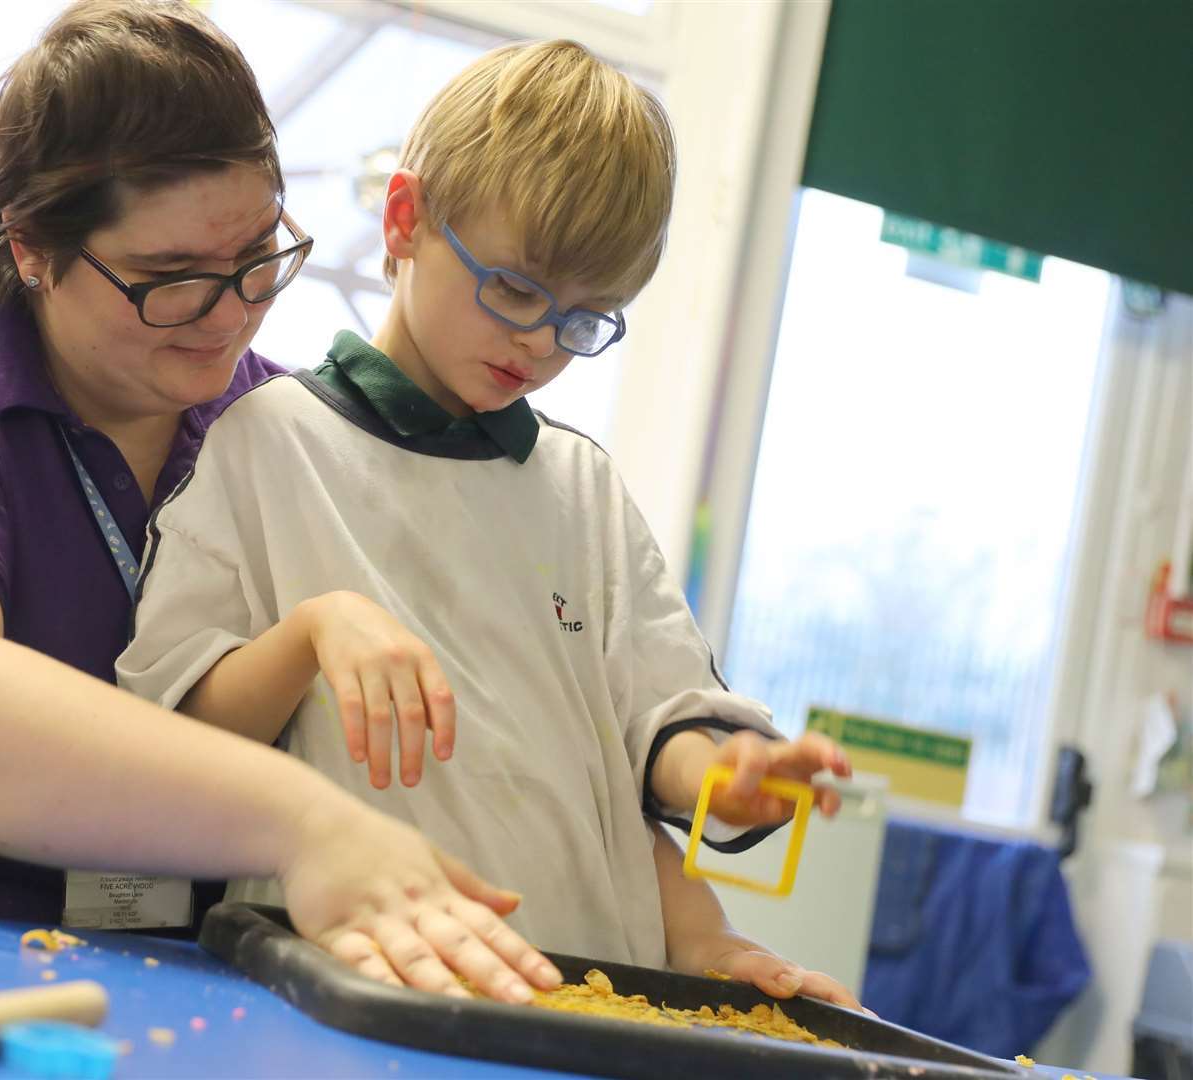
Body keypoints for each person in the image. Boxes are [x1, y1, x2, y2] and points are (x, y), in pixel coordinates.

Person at [0, 0, 562, 1005]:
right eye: (168, 279)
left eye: (257, 258)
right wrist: (300, 820)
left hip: (128, 962)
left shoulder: (291, 433)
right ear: (30, 249)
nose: (230, 312)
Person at [117, 40, 861, 1007]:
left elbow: (653, 721)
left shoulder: (581, 490)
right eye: (514, 289)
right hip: (357, 989)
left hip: (593, 1003)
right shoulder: (265, 447)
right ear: (403, 220)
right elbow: (168, 737)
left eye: (587, 319)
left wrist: (728, 776)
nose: (539, 343)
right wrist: (307, 635)